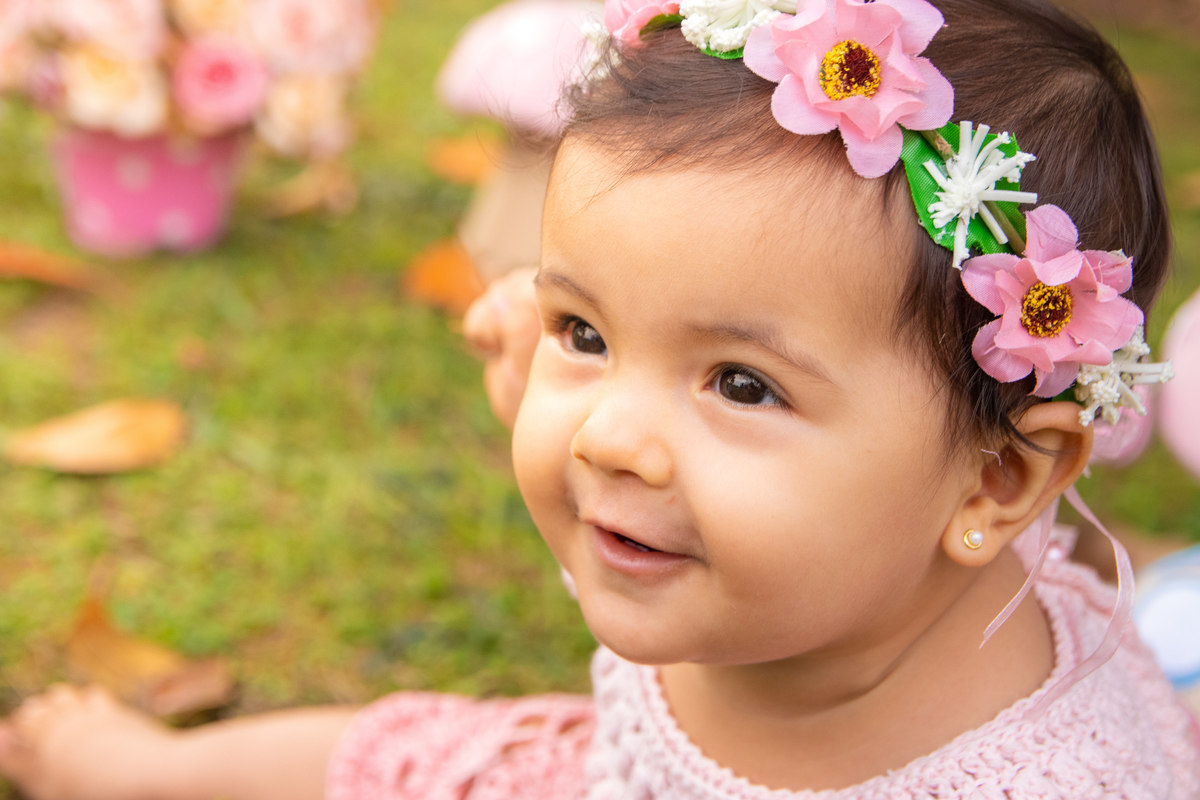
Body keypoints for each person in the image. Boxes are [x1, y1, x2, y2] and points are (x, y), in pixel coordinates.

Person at [1, 0, 1199, 797]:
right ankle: (143, 770)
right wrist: (547, 361)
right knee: (418, 755)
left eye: (740, 381)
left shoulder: (1054, 780)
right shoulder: (768, 548)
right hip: (606, 765)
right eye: (588, 328)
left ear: (997, 479)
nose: (608, 435)